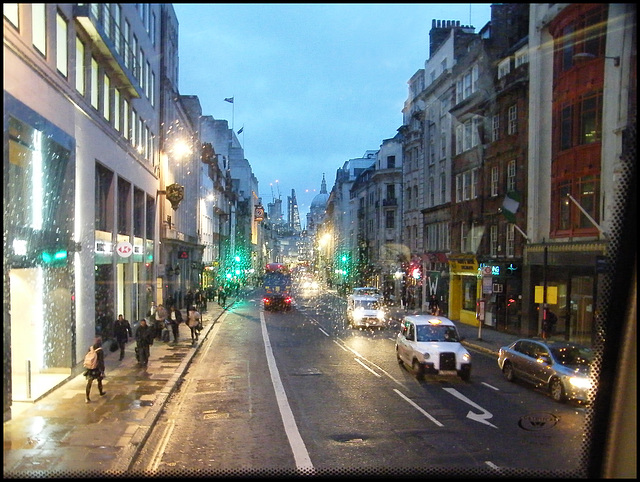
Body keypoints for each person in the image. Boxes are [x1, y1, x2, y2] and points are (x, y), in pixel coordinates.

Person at [84, 337, 106, 403]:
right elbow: (101, 361)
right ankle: (101, 392)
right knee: (99, 381)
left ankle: (87, 397)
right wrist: (102, 370)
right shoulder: (100, 350)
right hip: (97, 368)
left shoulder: (90, 348)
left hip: (90, 368)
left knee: (89, 382)